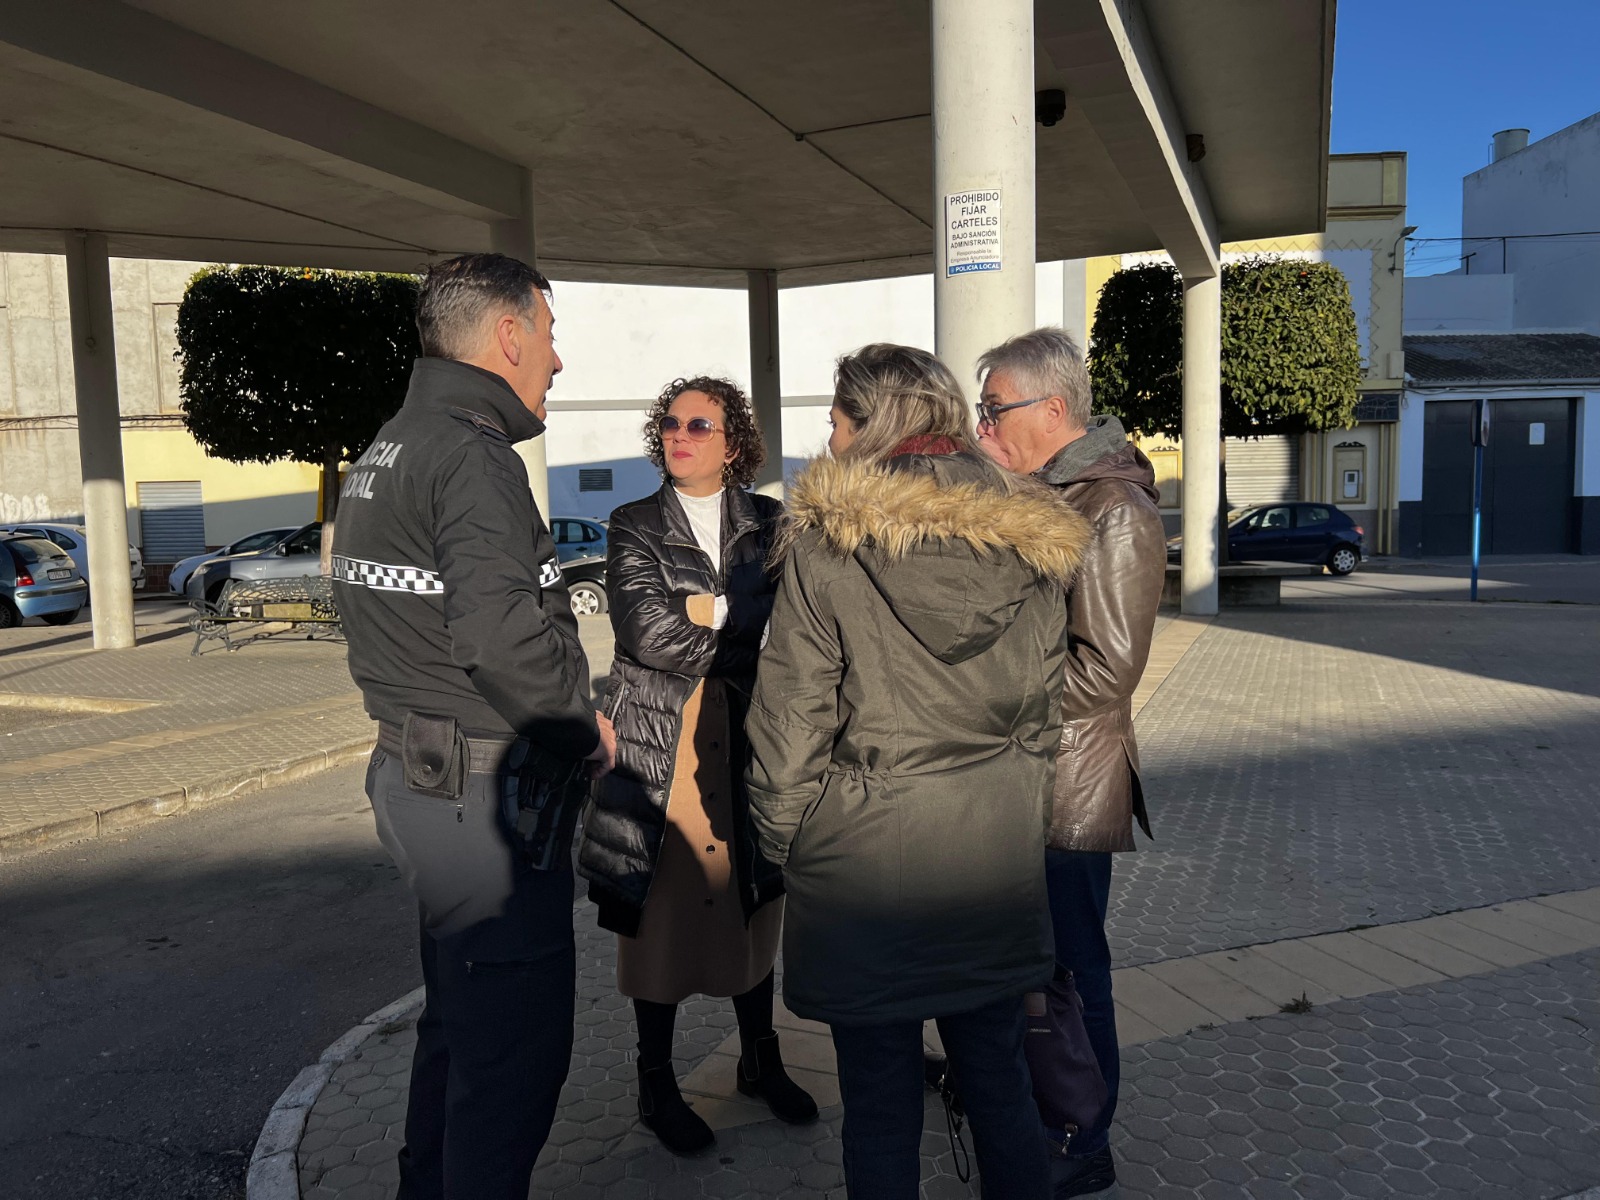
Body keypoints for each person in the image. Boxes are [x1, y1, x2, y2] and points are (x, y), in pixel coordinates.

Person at [745, 343, 1091, 1200]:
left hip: (865, 871)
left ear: (872, 424)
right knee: (1000, 1079)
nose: (826, 442)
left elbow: (788, 727)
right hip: (989, 864)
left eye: (834, 422)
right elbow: (1046, 714)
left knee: (879, 1102)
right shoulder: (1038, 541)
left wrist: (790, 844)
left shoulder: (827, 547)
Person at [333, 253, 616, 1200]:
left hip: (423, 778)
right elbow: (500, 638)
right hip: (484, 804)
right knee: (514, 1062)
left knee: (461, 1028)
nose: (557, 360)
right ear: (507, 335)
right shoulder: (471, 454)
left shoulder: (394, 443)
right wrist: (584, 731)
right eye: (547, 333)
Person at [578, 376, 816, 1154]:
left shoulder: (771, 522)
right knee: (663, 915)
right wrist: (733, 622)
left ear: (734, 442)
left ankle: (759, 1060)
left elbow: (794, 622)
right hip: (661, 740)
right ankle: (655, 1083)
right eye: (671, 424)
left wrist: (710, 613)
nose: (679, 435)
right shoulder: (633, 522)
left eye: (699, 424)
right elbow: (647, 633)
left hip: (747, 734)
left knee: (751, 900)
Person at [974, 327, 1166, 1198]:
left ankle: (1085, 1137)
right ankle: (1042, 1103)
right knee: (1035, 967)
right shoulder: (1050, 495)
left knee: (1072, 970)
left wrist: (983, 707)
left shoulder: (1113, 511)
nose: (983, 428)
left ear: (1053, 410)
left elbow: (1106, 669)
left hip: (1068, 785)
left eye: (994, 409)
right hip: (1027, 775)